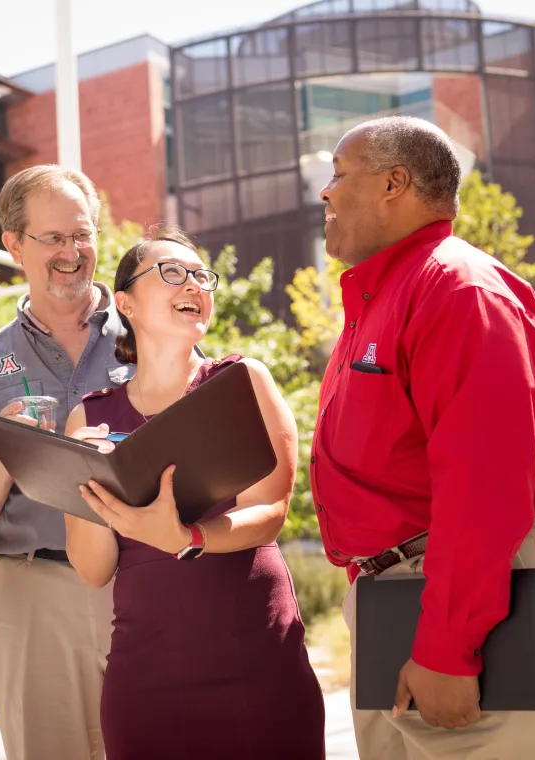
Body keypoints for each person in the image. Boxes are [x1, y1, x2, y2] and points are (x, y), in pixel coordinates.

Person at [311, 116, 535, 760]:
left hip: (481, 597)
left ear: (395, 183)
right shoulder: (384, 297)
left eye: (337, 175)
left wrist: (449, 645)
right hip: (400, 597)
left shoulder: (458, 290)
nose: (325, 194)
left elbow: (485, 483)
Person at [61, 226, 326, 759]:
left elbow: (270, 513)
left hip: (255, 657)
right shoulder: (88, 417)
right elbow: (92, 570)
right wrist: (87, 481)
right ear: (126, 302)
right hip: (146, 676)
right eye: (172, 273)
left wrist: (187, 536)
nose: (194, 285)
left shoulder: (242, 379)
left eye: (202, 275)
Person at [0, 165, 127, 760]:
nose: (71, 253)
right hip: (32, 591)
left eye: (82, 235)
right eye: (52, 238)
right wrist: (7, 461)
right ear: (12, 244)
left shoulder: (156, 335)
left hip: (148, 581)